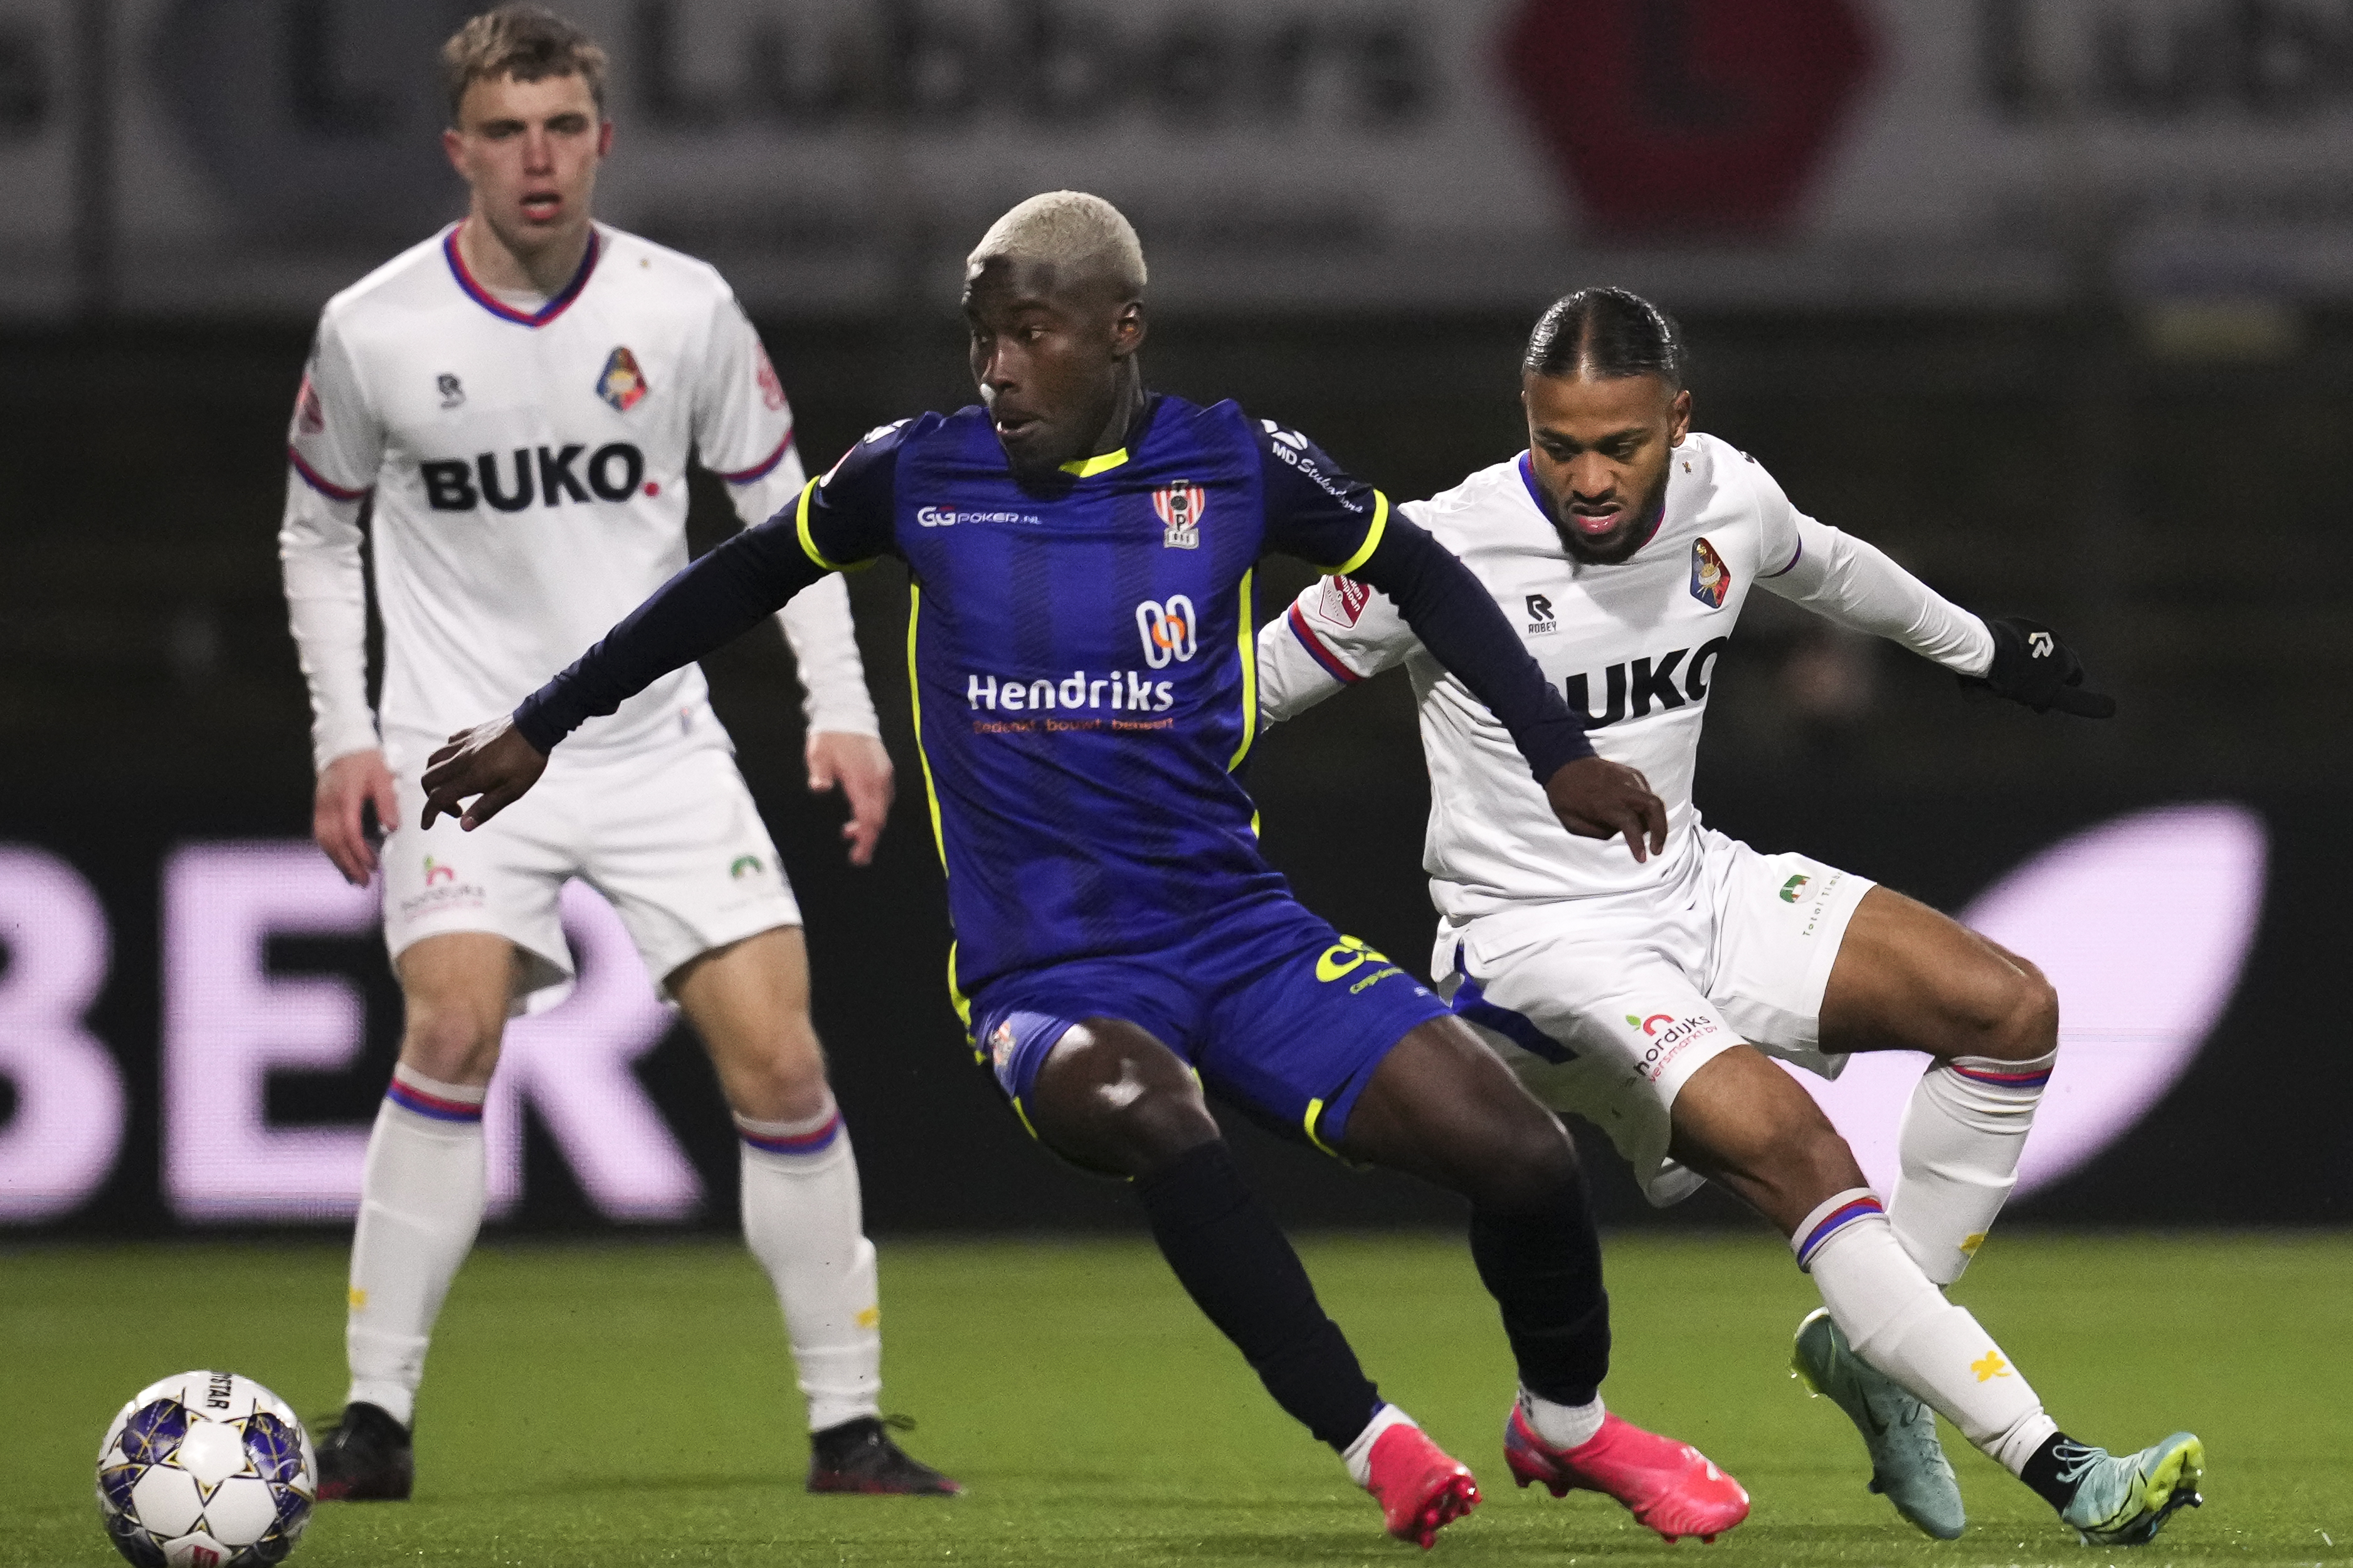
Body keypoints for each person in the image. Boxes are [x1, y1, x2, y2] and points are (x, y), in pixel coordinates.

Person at [412, 191, 1752, 1549]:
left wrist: (1555, 751)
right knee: (1156, 1113)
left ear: (1122, 333)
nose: (994, 370)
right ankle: (1373, 1437)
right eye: (980, 337)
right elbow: (730, 583)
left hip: (1242, 940)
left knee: (1521, 1155)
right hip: (1047, 975)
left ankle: (1568, 1425)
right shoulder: (913, 475)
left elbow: (1419, 565)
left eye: (1028, 334)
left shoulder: (1233, 465)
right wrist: (542, 723)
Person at [1254, 287, 2204, 1549]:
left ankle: (1880, 1350)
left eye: (1622, 445)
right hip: (1542, 950)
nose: (1589, 478)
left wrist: (1992, 654)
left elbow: (1835, 571)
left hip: (1694, 886)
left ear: (1678, 422)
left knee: (2010, 1008)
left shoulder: (1725, 495)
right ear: (1523, 425)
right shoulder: (1430, 551)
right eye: (1558, 444)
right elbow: (1235, 695)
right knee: (1800, 1147)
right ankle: (2061, 1465)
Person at [278, 4, 954, 1500]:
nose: (539, 159)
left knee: (781, 1059)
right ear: (457, 147)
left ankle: (848, 1430)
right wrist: (343, 735)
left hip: (651, 743)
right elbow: (317, 534)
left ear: (603, 138)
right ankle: (375, 1420)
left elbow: (794, 512)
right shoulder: (374, 325)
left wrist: (836, 704)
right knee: (449, 1031)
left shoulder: (684, 308)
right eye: (508, 132)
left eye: (564, 127)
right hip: (460, 748)